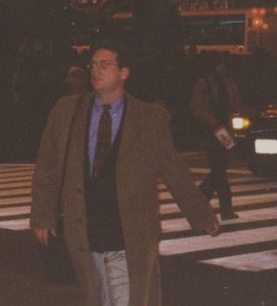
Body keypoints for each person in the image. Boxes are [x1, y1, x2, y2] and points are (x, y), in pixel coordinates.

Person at [31, 41, 220, 306]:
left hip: (128, 231)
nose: (96, 70)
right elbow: (48, 166)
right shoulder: (67, 111)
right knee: (98, 298)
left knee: (127, 298)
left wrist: (201, 214)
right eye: (93, 64)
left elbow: (173, 170)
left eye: (105, 64)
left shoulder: (149, 118)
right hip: (85, 229)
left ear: (124, 73)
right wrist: (43, 214)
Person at [189, 53, 250, 220]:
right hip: (212, 130)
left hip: (223, 130)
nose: (224, 67)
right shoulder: (204, 83)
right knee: (219, 168)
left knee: (220, 168)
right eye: (221, 64)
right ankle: (223, 208)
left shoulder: (228, 83)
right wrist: (211, 120)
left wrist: (248, 113)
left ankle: (199, 200)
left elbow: (237, 102)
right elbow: (196, 107)